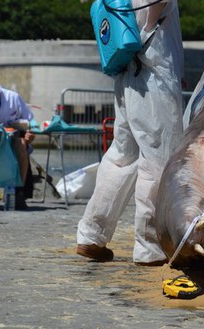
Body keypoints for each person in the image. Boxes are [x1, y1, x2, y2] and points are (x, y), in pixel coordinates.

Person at [76, 0, 184, 264]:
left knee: (121, 156)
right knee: (159, 160)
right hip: (152, 71)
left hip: (125, 70)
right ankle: (151, 246)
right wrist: (149, 31)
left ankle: (91, 235)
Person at [0, 84, 35, 209]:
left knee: (22, 145)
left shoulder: (12, 97)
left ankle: (19, 191)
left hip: (10, 141)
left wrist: (30, 134)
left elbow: (30, 121)